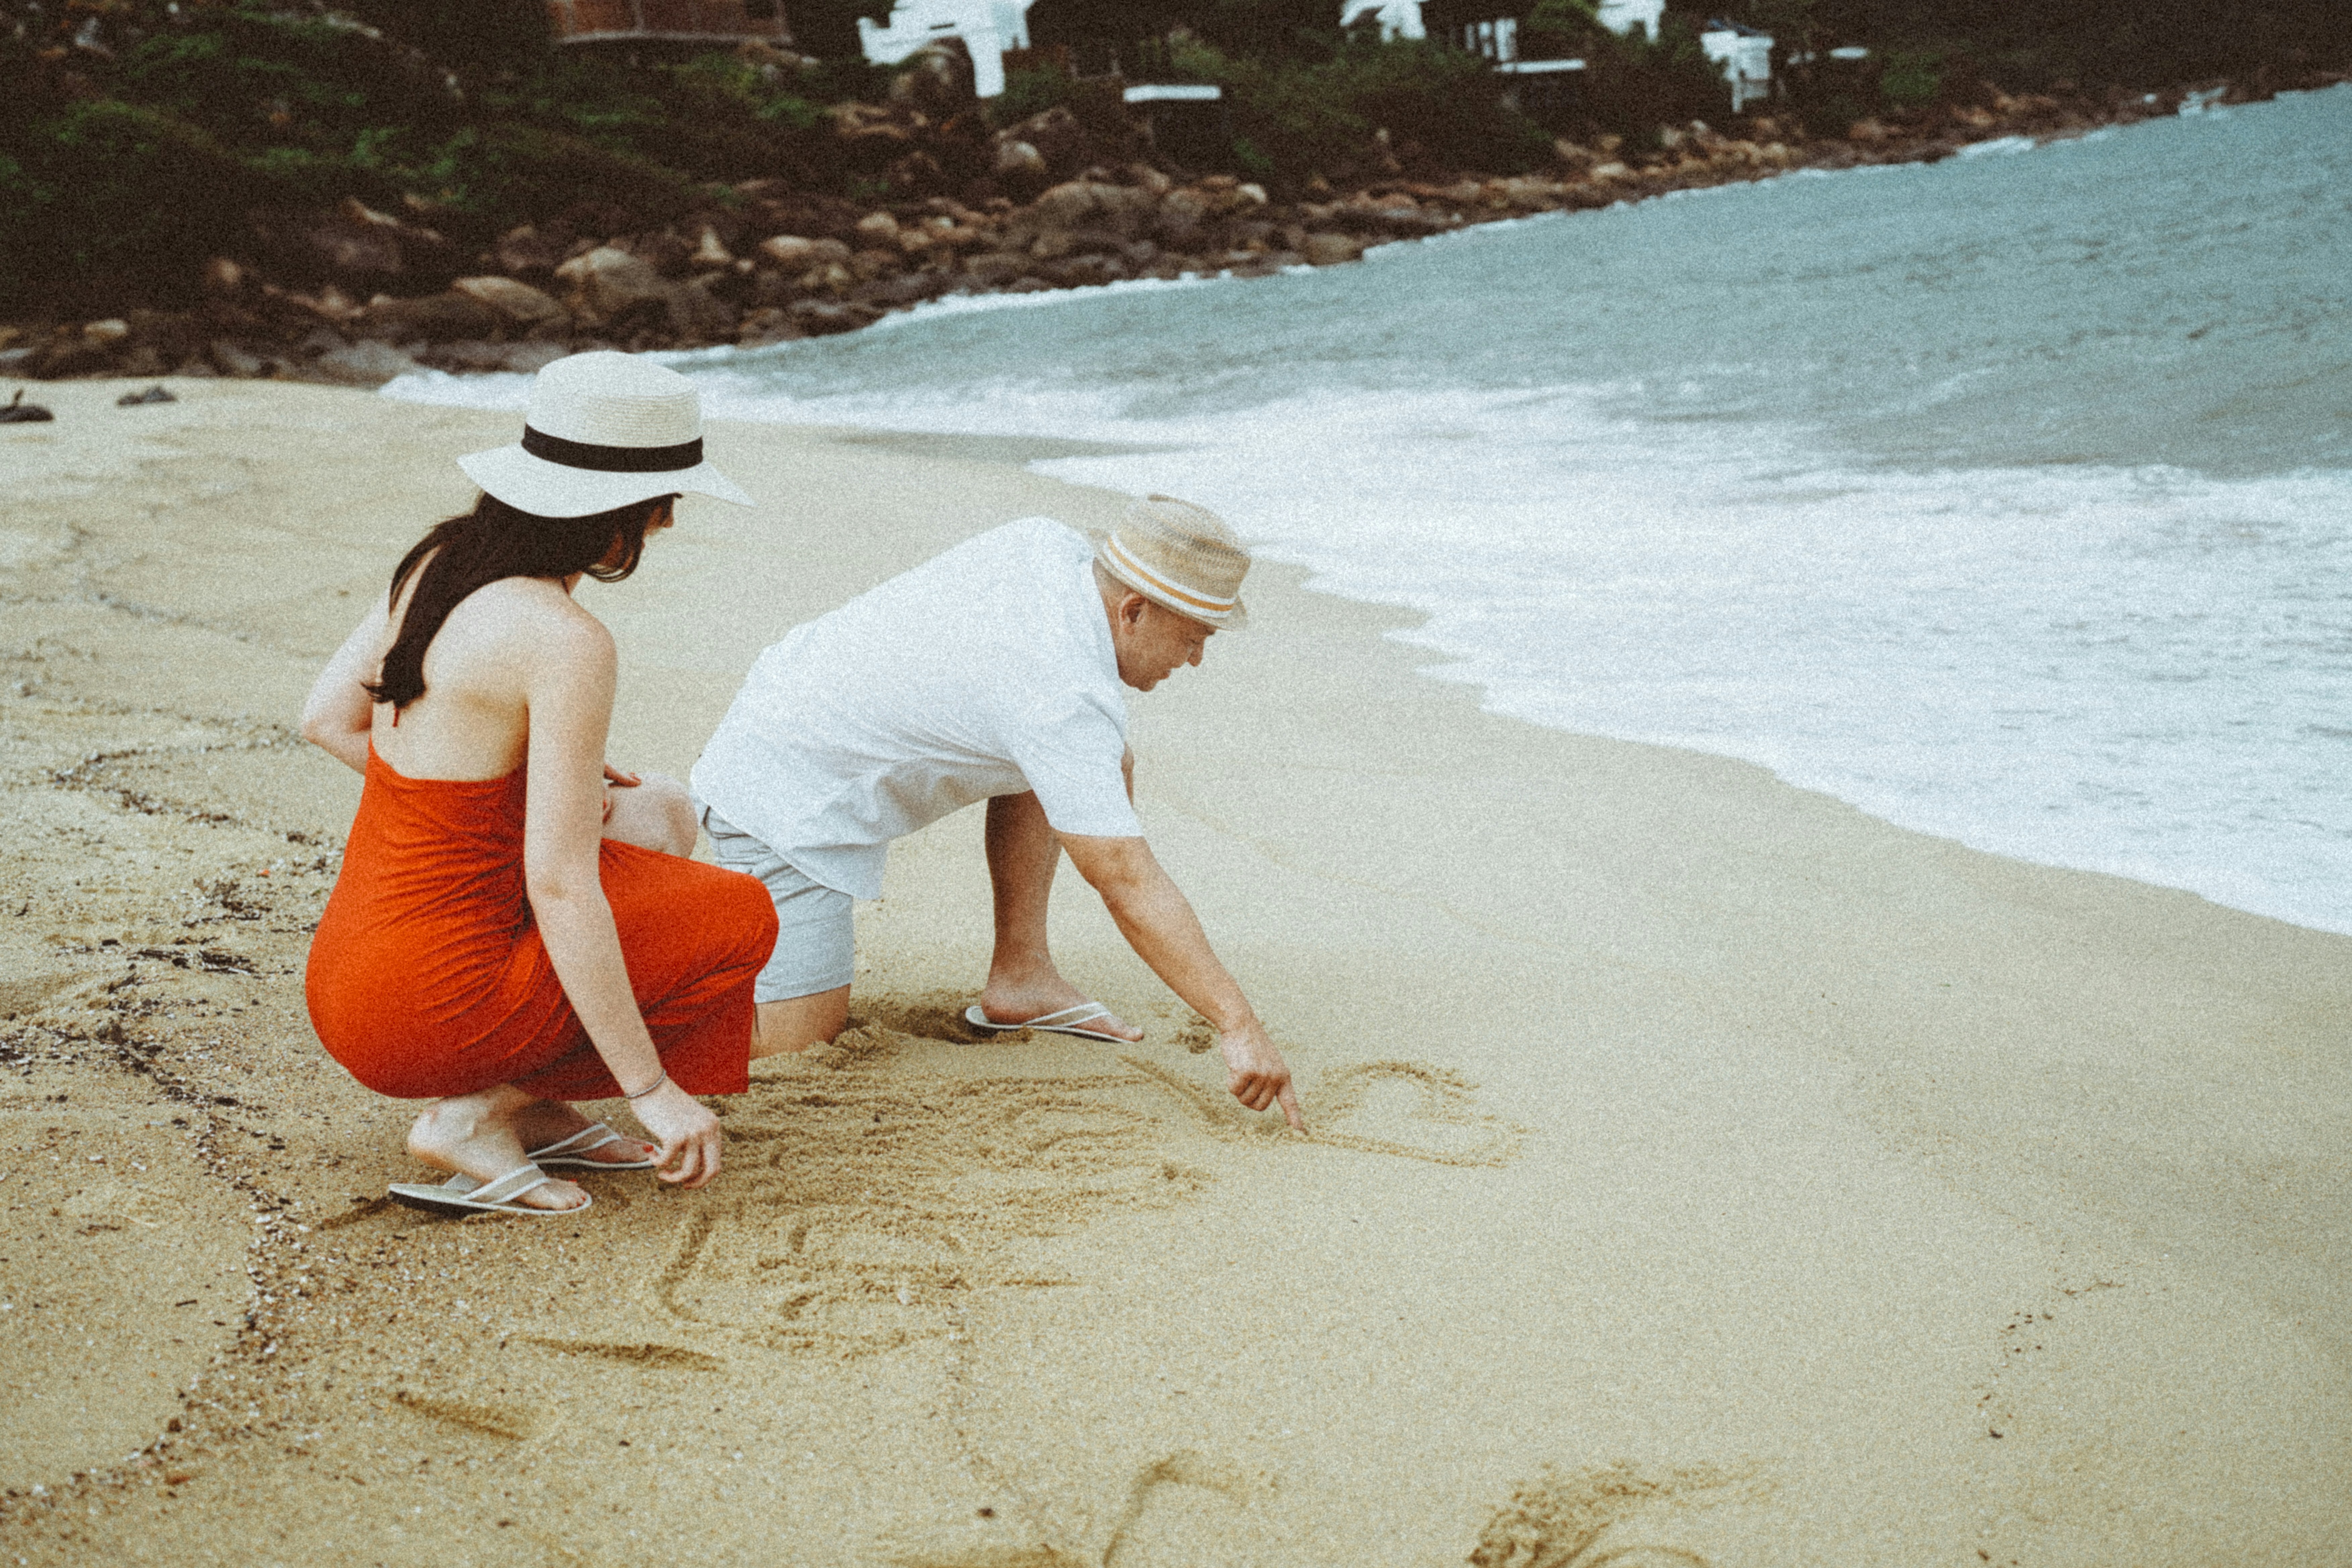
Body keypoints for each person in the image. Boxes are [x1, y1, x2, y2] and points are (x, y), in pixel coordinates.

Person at [300, 352, 778, 1216]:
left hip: (347, 977)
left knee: (659, 810)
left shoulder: (444, 560)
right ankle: (480, 1114)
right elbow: (557, 883)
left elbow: (329, 720)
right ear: (615, 510)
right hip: (428, 1006)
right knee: (740, 914)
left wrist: (491, 796)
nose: (666, 523)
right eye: (661, 502)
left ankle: (545, 1108)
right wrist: (650, 1088)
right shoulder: (564, 638)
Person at [691, 495, 1305, 1130]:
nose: (1196, 660)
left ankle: (1021, 975)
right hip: (783, 796)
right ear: (1133, 610)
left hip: (793, 703)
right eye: (1195, 637)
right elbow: (1124, 877)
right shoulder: (1060, 696)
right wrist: (1238, 1023)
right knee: (797, 1040)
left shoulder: (1049, 546)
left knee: (1097, 766)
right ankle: (617, 1002)